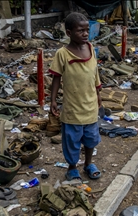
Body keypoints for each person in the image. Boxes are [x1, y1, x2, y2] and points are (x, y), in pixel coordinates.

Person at [49, 12, 102, 181]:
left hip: (90, 106)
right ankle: (72, 167)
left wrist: (99, 95)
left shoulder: (91, 49)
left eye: (87, 30)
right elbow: (56, 78)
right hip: (72, 108)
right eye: (81, 31)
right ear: (69, 33)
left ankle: (88, 163)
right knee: (71, 140)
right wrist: (53, 100)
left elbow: (95, 74)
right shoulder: (62, 54)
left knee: (91, 139)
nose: (85, 34)